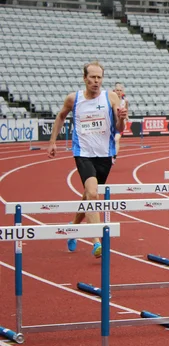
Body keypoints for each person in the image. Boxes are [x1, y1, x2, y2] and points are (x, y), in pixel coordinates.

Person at [47, 61, 128, 258]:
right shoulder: (73, 99)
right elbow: (60, 117)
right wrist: (52, 141)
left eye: (99, 77)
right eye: (92, 77)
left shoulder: (111, 97)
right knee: (93, 194)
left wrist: (122, 118)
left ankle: (73, 228)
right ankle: (96, 241)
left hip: (105, 154)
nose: (96, 81)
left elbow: (119, 129)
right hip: (83, 153)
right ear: (85, 78)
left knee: (88, 195)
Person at [112, 82, 129, 162]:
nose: (118, 92)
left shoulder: (124, 101)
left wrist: (126, 116)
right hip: (112, 123)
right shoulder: (111, 100)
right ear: (114, 91)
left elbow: (126, 110)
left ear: (122, 92)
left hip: (121, 123)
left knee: (116, 139)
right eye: (117, 90)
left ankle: (114, 157)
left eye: (120, 90)